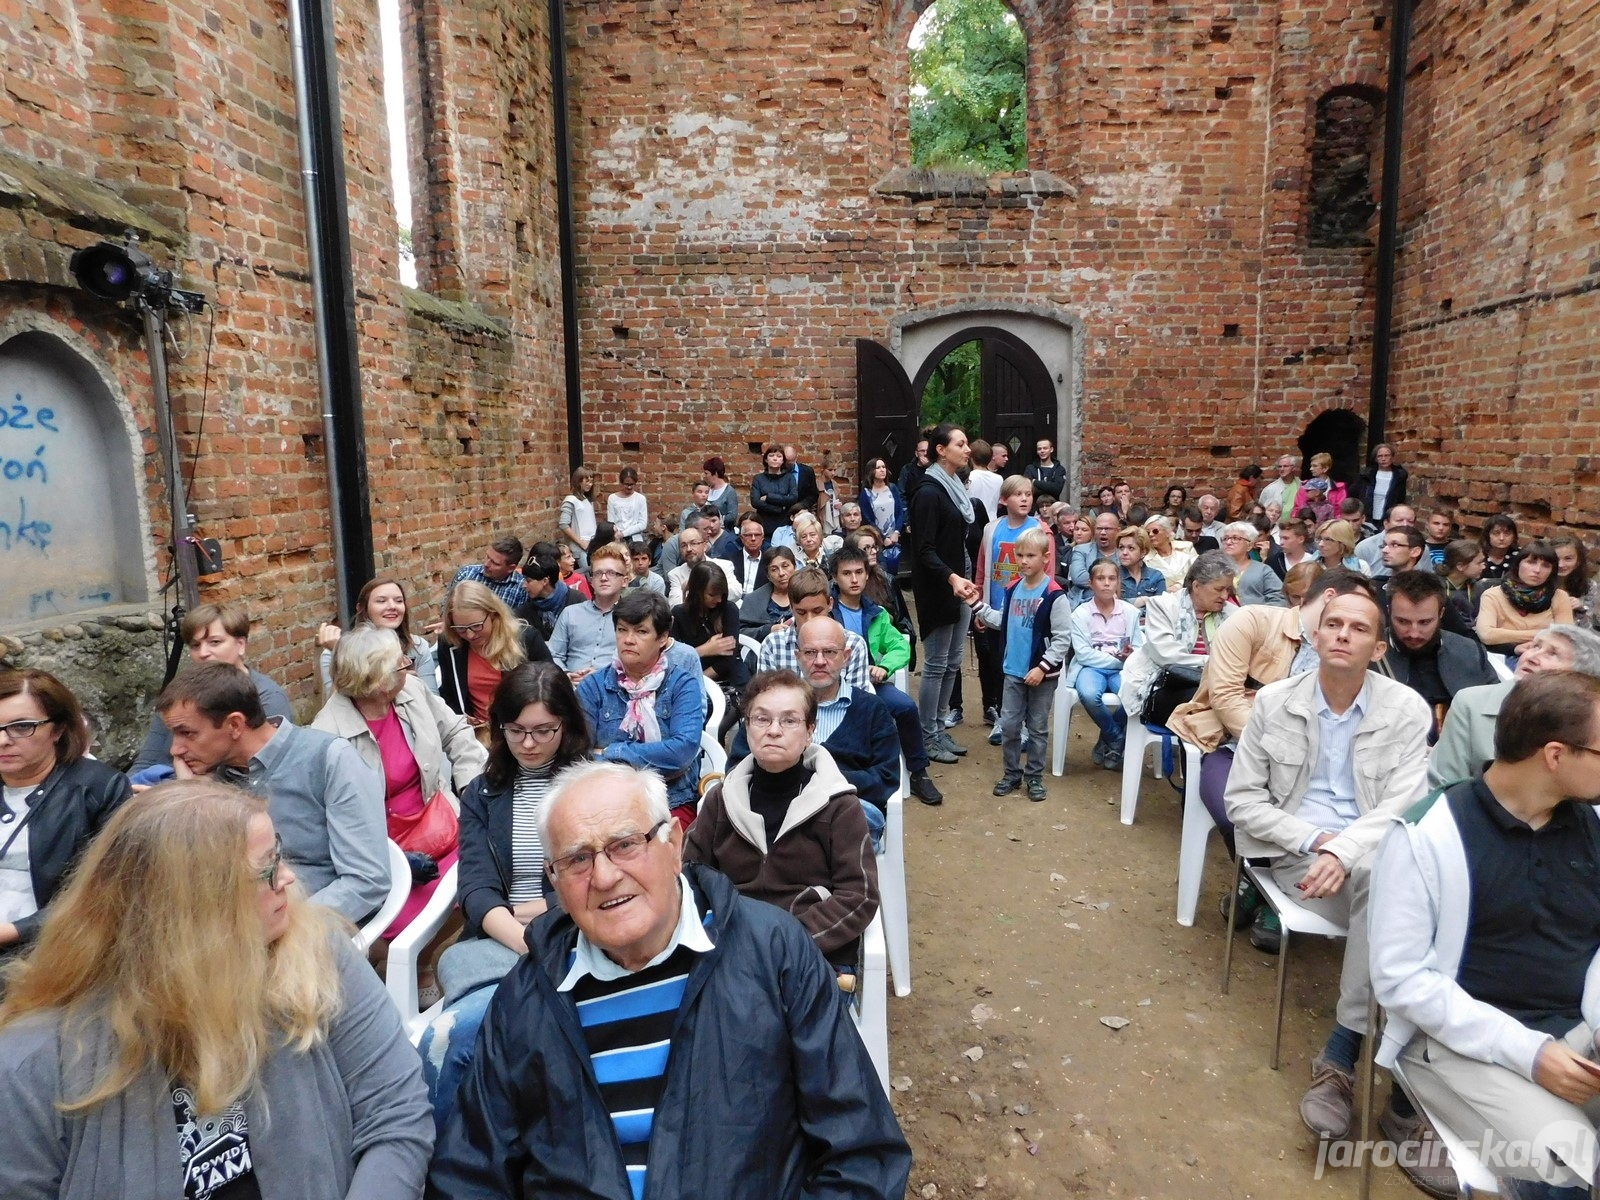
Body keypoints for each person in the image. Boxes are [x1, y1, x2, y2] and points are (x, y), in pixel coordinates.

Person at [425, 761, 911, 1199]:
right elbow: (470, 1176)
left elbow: (861, 1155)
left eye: (624, 845)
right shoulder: (527, 996)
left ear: (674, 845)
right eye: (577, 860)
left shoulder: (773, 954)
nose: (605, 875)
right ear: (554, 881)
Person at [0, 782, 433, 1199]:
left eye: (279, 854)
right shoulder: (38, 1058)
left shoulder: (317, 955)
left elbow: (396, 1114)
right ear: (191, 908)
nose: (286, 878)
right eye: (264, 869)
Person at [1370, 672, 1600, 1199]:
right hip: (1458, 1048)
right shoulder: (1429, 835)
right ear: (1556, 755)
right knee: (1568, 1169)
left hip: (1577, 1035)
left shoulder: (1590, 824)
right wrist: (1532, 1052)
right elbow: (1401, 981)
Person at [1223, 585, 1432, 1143]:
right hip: (1297, 856)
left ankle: (1350, 1055)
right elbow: (1242, 801)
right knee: (1398, 898)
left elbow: (1405, 804)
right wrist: (1321, 840)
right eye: (1333, 624)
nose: (1342, 634)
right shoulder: (1274, 701)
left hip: (1370, 854)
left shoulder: (1406, 710)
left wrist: (1347, 848)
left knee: (1396, 883)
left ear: (1379, 647)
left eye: (1359, 628)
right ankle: (1358, 1061)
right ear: (1315, 636)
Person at [420, 662, 591, 1129]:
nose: (528, 744)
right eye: (515, 731)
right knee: (454, 1040)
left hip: (571, 936)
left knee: (503, 1034)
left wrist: (541, 911)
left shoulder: (593, 788)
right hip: (501, 939)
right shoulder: (483, 793)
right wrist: (522, 935)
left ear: (567, 726)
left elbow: (596, 880)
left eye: (542, 731)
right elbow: (475, 889)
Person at [157, 663, 388, 924]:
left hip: (311, 928)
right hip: (232, 930)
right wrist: (195, 799)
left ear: (235, 724)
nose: (175, 749)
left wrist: (284, 928)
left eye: (187, 733)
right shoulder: (212, 778)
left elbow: (367, 880)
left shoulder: (328, 758)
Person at [688, 669, 879, 967]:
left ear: (810, 731)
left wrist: (790, 941)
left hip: (811, 952)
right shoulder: (721, 801)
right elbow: (690, 875)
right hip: (731, 950)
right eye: (762, 719)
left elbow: (859, 896)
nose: (774, 730)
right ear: (747, 727)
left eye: (789, 720)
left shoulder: (838, 805)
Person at [312, 626, 486, 939]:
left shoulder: (412, 691)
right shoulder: (326, 733)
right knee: (397, 929)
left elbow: (457, 732)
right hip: (384, 851)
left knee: (482, 881)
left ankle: (422, 964)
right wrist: (391, 862)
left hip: (441, 824)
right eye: (401, 663)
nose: (409, 664)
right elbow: (328, 822)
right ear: (377, 681)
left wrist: (473, 790)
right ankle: (409, 968)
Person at [0, 669, 131, 961]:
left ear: (58, 729)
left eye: (21, 726)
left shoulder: (99, 788)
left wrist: (13, 931)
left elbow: (105, 895)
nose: (3, 740)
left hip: (52, 952)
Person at [730, 622, 900, 842]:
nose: (819, 661)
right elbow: (736, 768)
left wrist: (821, 782)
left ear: (846, 656)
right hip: (776, 810)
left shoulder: (872, 710)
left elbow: (887, 778)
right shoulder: (769, 712)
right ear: (798, 656)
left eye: (829, 652)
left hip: (848, 812)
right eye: (810, 652)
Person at [828, 545, 942, 804]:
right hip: (832, 685)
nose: (854, 579)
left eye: (859, 572)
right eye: (847, 573)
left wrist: (884, 666)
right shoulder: (827, 610)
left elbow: (900, 646)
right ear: (835, 577)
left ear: (868, 575)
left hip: (870, 684)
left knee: (905, 707)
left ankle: (918, 772)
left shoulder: (876, 613)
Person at [577, 590, 703, 822]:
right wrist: (653, 757)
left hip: (670, 798)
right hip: (605, 800)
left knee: (657, 846)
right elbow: (580, 754)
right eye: (622, 629)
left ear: (663, 637)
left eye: (641, 631)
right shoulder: (593, 686)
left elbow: (681, 752)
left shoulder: (682, 685)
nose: (628, 639)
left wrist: (613, 752)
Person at [131, 602, 295, 780]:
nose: (203, 653)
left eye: (214, 642)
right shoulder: (179, 694)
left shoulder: (267, 697)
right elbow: (145, 761)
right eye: (195, 645)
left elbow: (259, 772)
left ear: (241, 645)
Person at [1428, 624, 1600, 788]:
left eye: (1553, 654)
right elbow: (1442, 785)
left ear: (1580, 679)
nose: (1531, 657)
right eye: (1534, 647)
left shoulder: (1591, 726)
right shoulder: (1472, 703)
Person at [969, 528, 1072, 800]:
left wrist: (1042, 667)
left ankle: (1035, 777)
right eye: (1020, 555)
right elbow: (1002, 620)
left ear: (1046, 558)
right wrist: (976, 605)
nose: (1024, 561)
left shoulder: (1054, 594)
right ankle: (1011, 773)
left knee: (1037, 727)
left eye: (1031, 555)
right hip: (1012, 671)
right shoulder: (1013, 588)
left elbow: (1063, 639)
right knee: (1010, 725)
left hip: (1041, 675)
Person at [909, 423, 983, 761]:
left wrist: (963, 578)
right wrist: (951, 577)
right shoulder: (927, 492)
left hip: (960, 584)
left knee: (953, 663)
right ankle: (927, 737)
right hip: (940, 587)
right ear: (941, 450)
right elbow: (923, 549)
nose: (967, 450)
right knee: (937, 664)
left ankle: (939, 729)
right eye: (961, 444)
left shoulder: (954, 486)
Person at [1118, 551, 1236, 726]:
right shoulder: (1164, 606)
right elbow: (1166, 656)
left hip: (1217, 689)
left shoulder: (1233, 614)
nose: (1225, 596)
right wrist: (1213, 663)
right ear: (1196, 586)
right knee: (1205, 700)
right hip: (1163, 687)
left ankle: (1201, 752)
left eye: (1228, 589)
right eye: (1219, 589)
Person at [1375, 570, 1501, 732]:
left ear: (1441, 613)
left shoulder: (1469, 652)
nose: (1414, 633)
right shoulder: (1367, 655)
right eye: (1403, 621)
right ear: (1389, 611)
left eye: (1425, 622)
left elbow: (1496, 710)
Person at [974, 475, 1051, 730]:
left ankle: (1026, 723)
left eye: (1028, 494)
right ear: (1004, 499)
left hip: (1028, 611)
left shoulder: (1040, 529)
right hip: (996, 608)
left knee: (1025, 664)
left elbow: (1048, 575)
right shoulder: (991, 529)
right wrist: (981, 605)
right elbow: (983, 569)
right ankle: (1003, 718)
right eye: (1018, 494)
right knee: (999, 663)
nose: (1025, 499)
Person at [1067, 559, 1144, 771]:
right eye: (1101, 578)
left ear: (1119, 582)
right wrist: (1115, 661)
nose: (1107, 583)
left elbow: (1139, 646)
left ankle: (1106, 740)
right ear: (1091, 583)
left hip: (1124, 668)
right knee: (1090, 694)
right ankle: (1116, 737)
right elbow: (1083, 654)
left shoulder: (1130, 612)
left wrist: (1130, 655)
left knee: (1135, 696)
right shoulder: (1080, 614)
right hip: (1091, 669)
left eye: (1112, 578)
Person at [438, 581, 548, 728]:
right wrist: (460, 718)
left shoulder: (526, 639)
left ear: (494, 615)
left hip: (522, 728)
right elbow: (449, 693)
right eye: (461, 628)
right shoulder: (450, 644)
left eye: (476, 626)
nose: (470, 635)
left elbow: (550, 689)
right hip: (476, 734)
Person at [317, 577, 439, 699]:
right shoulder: (332, 652)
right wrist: (341, 655)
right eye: (381, 601)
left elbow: (434, 703)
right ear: (361, 608)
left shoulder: (417, 647)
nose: (392, 606)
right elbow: (336, 709)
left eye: (398, 601)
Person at [547, 541, 631, 679]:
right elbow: (553, 654)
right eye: (598, 573)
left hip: (614, 687)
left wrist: (602, 676)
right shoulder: (570, 613)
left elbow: (639, 661)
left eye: (611, 573)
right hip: (570, 688)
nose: (603, 578)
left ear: (625, 581)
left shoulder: (632, 617)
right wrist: (566, 675)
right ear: (591, 580)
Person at [1478, 542, 1577, 656]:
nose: (1537, 570)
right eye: (1531, 562)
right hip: (1502, 656)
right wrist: (1546, 633)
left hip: (1546, 657)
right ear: (1518, 564)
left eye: (1546, 565)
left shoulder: (1559, 596)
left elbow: (1566, 636)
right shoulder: (1493, 595)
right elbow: (1486, 635)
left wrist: (1505, 635)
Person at [672, 561, 749, 700]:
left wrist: (701, 681)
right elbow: (673, 660)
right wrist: (704, 650)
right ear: (697, 591)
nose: (719, 600)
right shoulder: (678, 614)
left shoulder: (729, 610)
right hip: (693, 678)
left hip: (730, 678)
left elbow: (728, 660)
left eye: (722, 594)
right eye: (712, 594)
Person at [666, 521, 744, 608]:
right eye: (683, 545)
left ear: (704, 546)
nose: (688, 549)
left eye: (693, 543)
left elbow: (736, 592)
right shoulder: (675, 574)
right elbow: (675, 604)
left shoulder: (724, 566)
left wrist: (700, 588)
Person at [514, 551, 587, 641]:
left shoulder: (577, 601)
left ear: (545, 581)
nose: (524, 585)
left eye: (528, 581)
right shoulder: (524, 612)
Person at [449, 534, 527, 611]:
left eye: (494, 563)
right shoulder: (466, 574)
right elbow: (446, 609)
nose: (486, 564)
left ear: (511, 568)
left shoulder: (522, 589)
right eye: (487, 557)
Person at [1222, 520, 1288, 605]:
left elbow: (1279, 599)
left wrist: (1258, 614)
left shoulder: (1263, 570)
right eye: (1225, 538)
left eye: (1235, 538)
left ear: (1249, 546)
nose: (1228, 542)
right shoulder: (1214, 567)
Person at [740, 544, 797, 641]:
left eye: (785, 566)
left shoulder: (807, 594)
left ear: (795, 567)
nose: (781, 573)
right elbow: (740, 632)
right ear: (768, 575)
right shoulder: (753, 599)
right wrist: (767, 630)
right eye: (774, 569)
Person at [751, 444, 799, 542]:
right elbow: (755, 501)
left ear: (783, 460)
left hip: (784, 524)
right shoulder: (759, 479)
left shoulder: (789, 478)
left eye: (778, 456)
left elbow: (793, 498)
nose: (775, 459)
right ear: (766, 459)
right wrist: (778, 508)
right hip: (765, 524)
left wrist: (769, 497)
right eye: (771, 456)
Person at [1357, 503, 1419, 576]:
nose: (1405, 525)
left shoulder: (1420, 548)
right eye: (1399, 520)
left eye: (1410, 521)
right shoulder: (1364, 547)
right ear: (1386, 523)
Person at [1355, 442, 1408, 527]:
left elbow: (1401, 498)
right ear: (1376, 459)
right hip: (1368, 517)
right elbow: (1354, 493)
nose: (1383, 459)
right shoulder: (1367, 475)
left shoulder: (1399, 476)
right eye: (1380, 456)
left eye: (1387, 455)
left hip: (1388, 518)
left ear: (1392, 457)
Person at [1116, 525, 1167, 609]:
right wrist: (1143, 600)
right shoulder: (1113, 575)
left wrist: (1129, 604)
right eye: (1121, 547)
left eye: (1131, 548)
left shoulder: (1156, 576)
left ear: (1143, 552)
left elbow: (1161, 607)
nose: (1124, 552)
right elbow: (1110, 605)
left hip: (1151, 621)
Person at [1440, 537, 1487, 625]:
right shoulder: (1435, 587)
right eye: (1479, 563)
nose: (1483, 567)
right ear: (1460, 566)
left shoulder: (1478, 588)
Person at [558, 465, 598, 569]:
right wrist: (580, 542)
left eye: (591, 481)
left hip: (591, 544)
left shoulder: (587, 500)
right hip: (580, 547)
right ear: (578, 481)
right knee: (587, 573)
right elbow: (563, 524)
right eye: (587, 481)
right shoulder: (571, 500)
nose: (590, 484)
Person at [1143, 514, 1196, 593]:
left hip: (1191, 593)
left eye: (1155, 531)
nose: (1151, 534)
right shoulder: (1145, 558)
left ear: (1167, 532)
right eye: (1148, 532)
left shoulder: (1187, 547)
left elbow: (1198, 571)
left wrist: (1179, 585)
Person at [724, 512, 772, 595]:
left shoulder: (770, 560)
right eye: (749, 535)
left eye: (757, 535)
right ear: (742, 538)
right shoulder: (730, 558)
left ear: (762, 537)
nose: (753, 538)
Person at [1551, 531, 1592, 623]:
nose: (1561, 565)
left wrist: (1581, 607)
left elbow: (1590, 626)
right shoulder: (1539, 582)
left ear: (1578, 561)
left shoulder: (1589, 586)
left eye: (1568, 559)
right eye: (1556, 559)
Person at [606, 465, 650, 540]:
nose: (629, 487)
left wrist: (624, 533)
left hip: (636, 538)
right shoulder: (612, 498)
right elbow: (611, 522)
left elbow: (642, 524)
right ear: (622, 483)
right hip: (617, 537)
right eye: (626, 484)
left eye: (631, 484)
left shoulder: (640, 499)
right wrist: (617, 534)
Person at [965, 439, 1003, 521]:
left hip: (973, 521)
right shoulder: (999, 479)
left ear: (971, 458)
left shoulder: (969, 478)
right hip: (992, 520)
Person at [702, 455, 739, 528]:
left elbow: (732, 517)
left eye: (706, 473)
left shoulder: (729, 492)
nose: (705, 476)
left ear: (715, 474)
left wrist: (716, 520)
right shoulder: (707, 490)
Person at [1025, 437, 1067, 502]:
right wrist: (1049, 486)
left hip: (1053, 506)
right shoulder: (1030, 468)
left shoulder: (1059, 469)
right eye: (1039, 449)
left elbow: (1057, 489)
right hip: (1035, 506)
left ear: (1051, 449)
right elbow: (1028, 489)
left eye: (1045, 448)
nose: (1042, 451)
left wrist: (1035, 482)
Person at [1480, 513, 1520, 581]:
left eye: (1507, 533)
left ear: (1514, 536)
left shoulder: (1521, 557)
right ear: (1487, 535)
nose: (1502, 538)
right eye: (1496, 533)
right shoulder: (1478, 557)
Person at [783, 444, 820, 512]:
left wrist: (803, 505)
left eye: (791, 461)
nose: (789, 464)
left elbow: (813, 494)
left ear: (796, 458)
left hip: (801, 511)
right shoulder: (778, 471)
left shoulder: (807, 472)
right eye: (787, 462)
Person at [897, 435, 930, 501]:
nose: (925, 453)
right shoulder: (907, 469)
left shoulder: (936, 468)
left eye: (927, 450)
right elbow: (901, 493)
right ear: (916, 453)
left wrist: (929, 466)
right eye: (922, 451)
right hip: (912, 508)